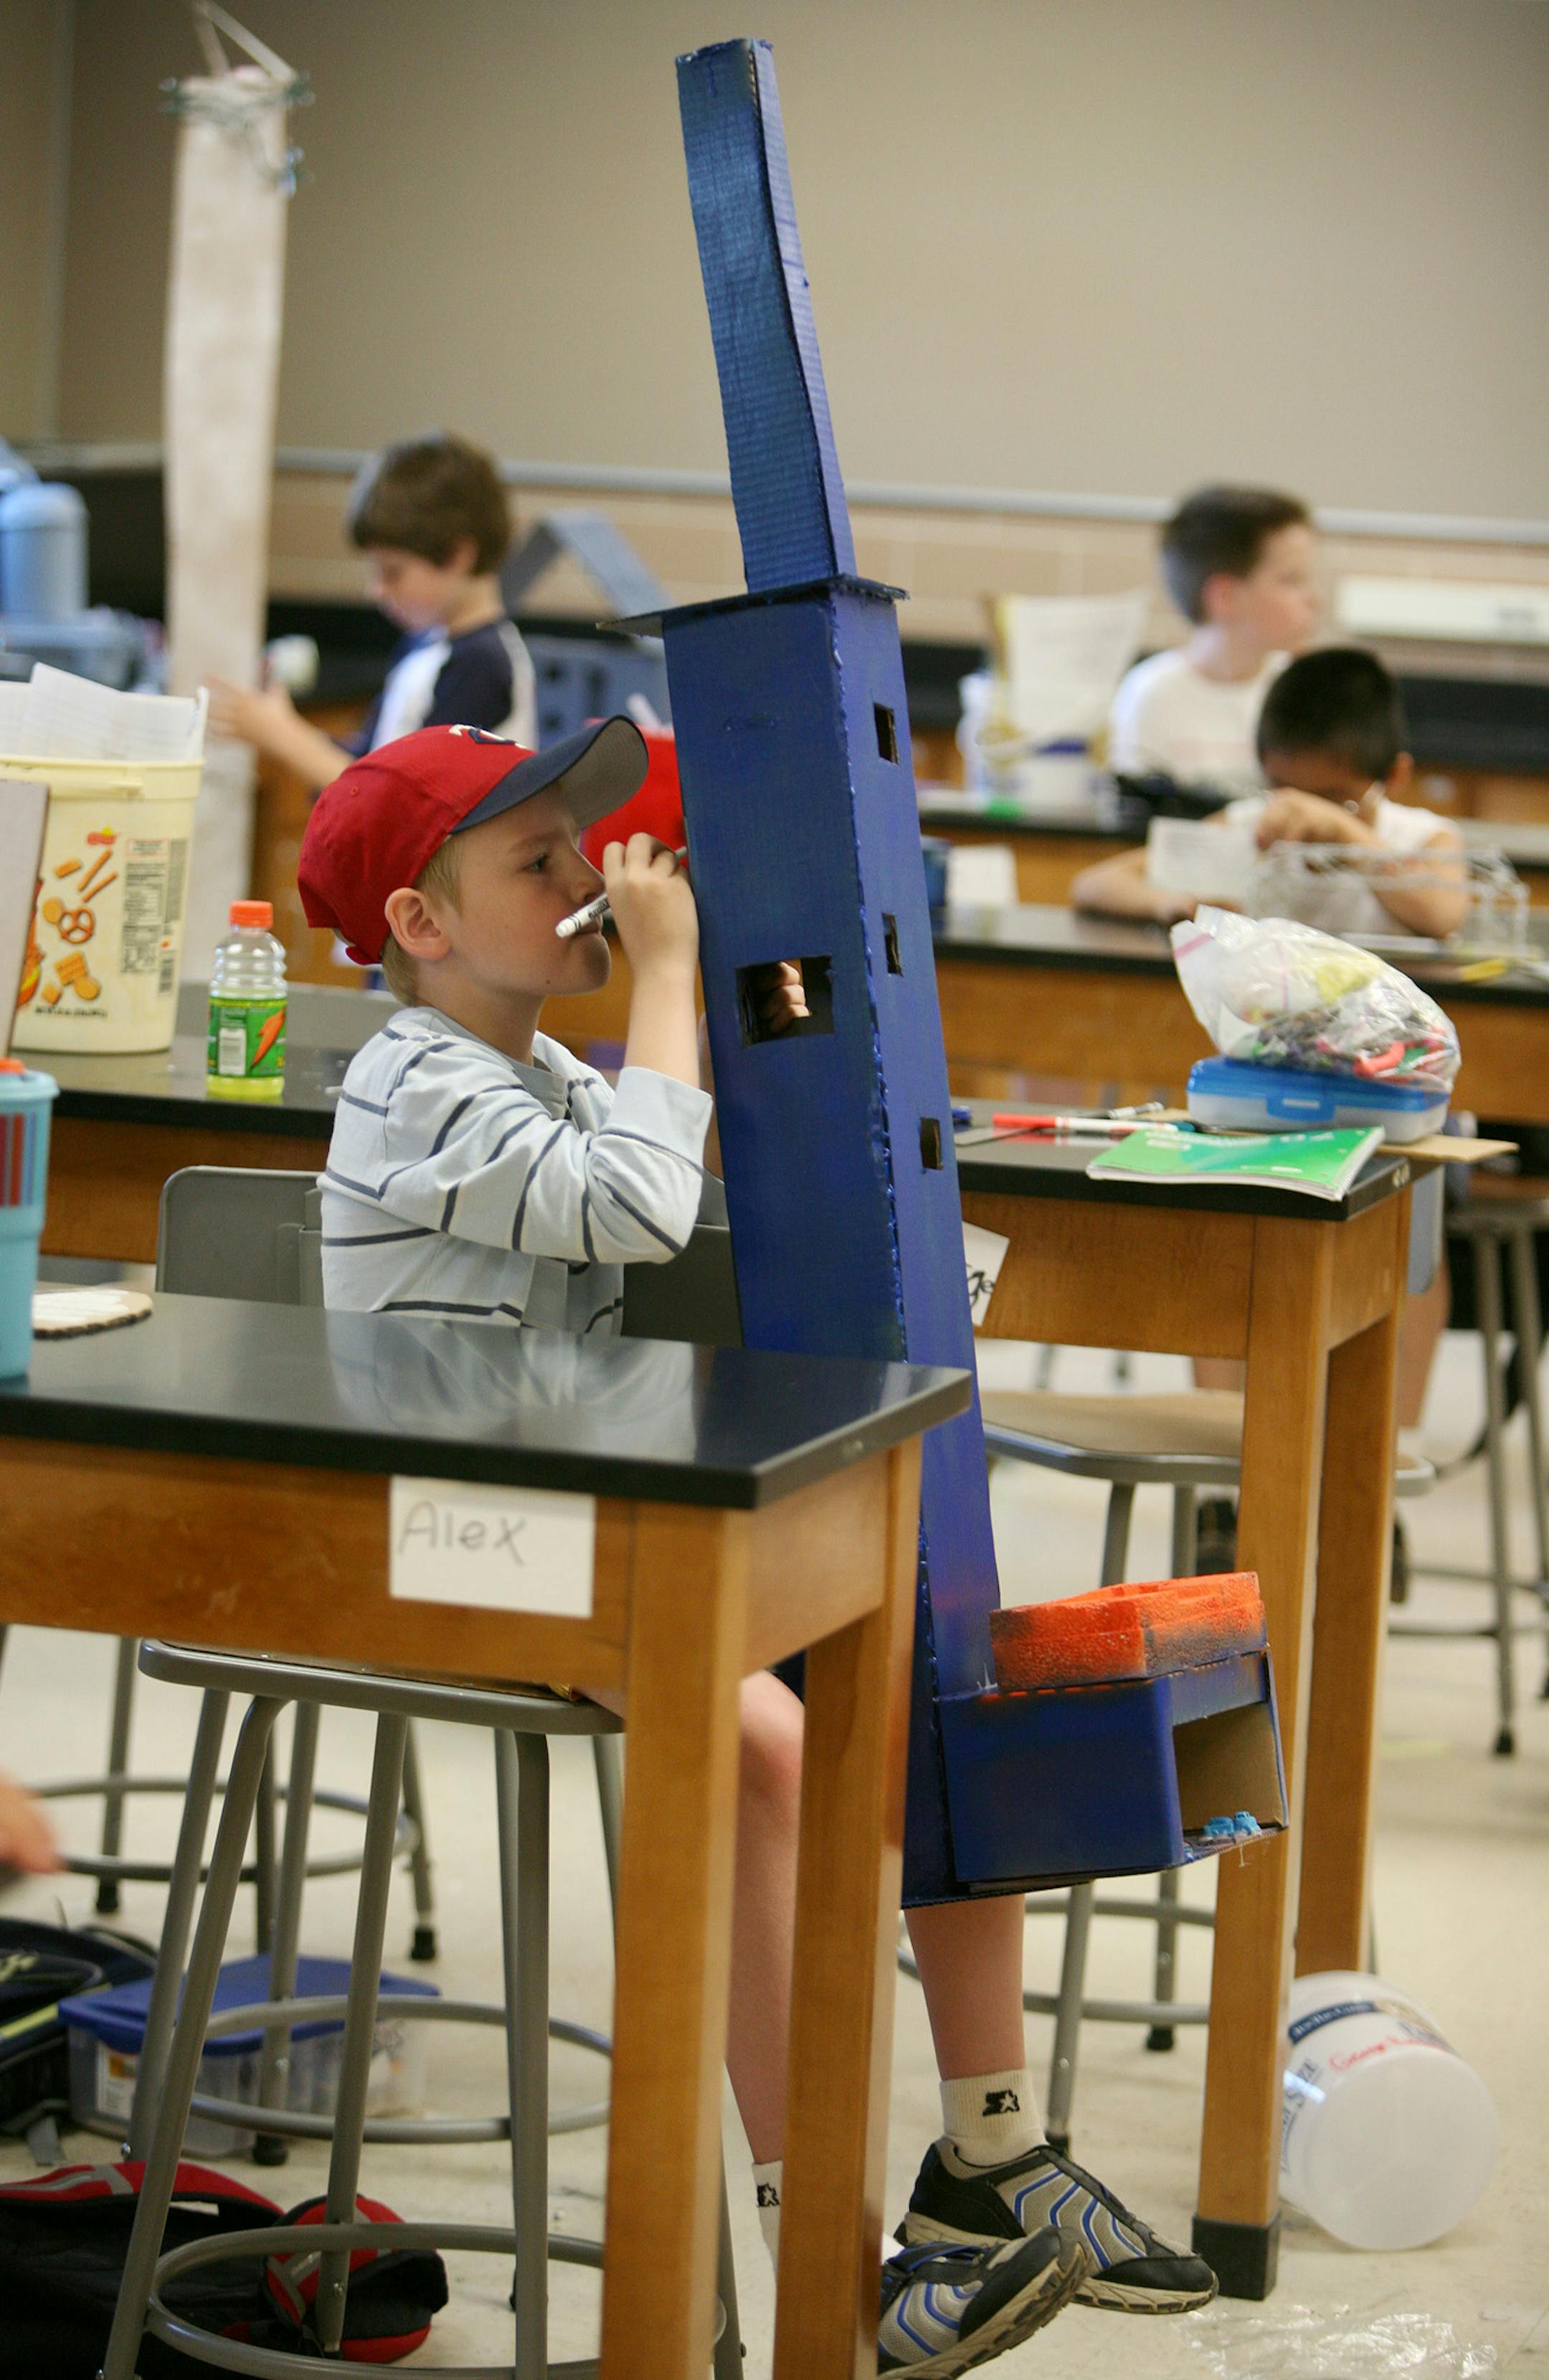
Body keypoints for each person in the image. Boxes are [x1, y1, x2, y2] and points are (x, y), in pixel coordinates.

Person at [298, 719, 1216, 2372]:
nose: (588, 881)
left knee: (927, 1676)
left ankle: (986, 2157)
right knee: (776, 1751)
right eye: (539, 863)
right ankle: (820, 2263)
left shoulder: (541, 1071)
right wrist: (665, 976)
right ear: (419, 927)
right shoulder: (409, 1078)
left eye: (586, 852)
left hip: (577, 1525)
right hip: (447, 1539)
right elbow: (634, 1210)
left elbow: (665, 1170)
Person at [207, 433, 536, 791]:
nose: (376, 590)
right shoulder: (427, 646)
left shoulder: (481, 666)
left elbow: (399, 802)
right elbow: (371, 762)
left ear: (459, 555)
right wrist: (285, 727)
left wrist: (283, 736)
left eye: (392, 571)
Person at [1076, 646, 1467, 940]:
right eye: (1285, 792)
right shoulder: (1251, 826)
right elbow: (1096, 883)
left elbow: (1442, 914)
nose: (1302, 815)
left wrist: (1343, 832)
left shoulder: (1424, 839)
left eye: (1332, 799)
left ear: (1395, 776)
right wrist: (1170, 903)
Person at [1107, 483, 1318, 794]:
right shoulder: (1151, 695)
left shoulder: (1300, 690)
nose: (1314, 599)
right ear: (1225, 597)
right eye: (1292, 580)